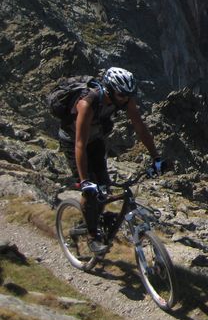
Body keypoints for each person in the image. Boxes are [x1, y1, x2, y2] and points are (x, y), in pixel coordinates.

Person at [58, 67, 165, 254]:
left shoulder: (124, 99)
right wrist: (84, 182)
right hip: (73, 141)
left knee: (105, 187)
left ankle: (94, 218)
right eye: (122, 94)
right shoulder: (87, 103)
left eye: (128, 95)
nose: (125, 98)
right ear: (109, 89)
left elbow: (140, 128)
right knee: (91, 192)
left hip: (96, 139)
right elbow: (80, 144)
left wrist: (156, 158)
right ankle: (92, 236)